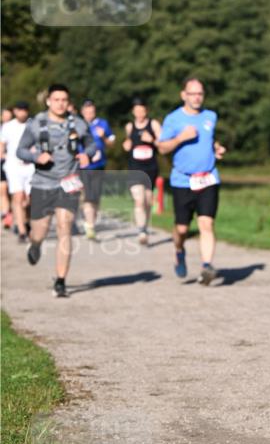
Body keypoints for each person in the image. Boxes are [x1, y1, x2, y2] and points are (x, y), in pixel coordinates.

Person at [17, 83, 97, 297]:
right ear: (48, 101)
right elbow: (20, 150)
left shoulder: (78, 124)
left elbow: (91, 145)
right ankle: (35, 244)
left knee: (65, 226)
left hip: (68, 182)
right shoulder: (36, 123)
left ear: (68, 102)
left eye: (64, 100)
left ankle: (61, 280)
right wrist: (36, 157)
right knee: (40, 230)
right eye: (56, 100)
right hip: (42, 183)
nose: (60, 104)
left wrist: (87, 154)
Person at [156, 77, 226, 284]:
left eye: (200, 94)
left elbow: (209, 139)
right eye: (192, 94)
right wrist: (181, 138)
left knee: (206, 223)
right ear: (183, 95)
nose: (196, 98)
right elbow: (162, 148)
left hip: (208, 178)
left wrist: (216, 148)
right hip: (183, 180)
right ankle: (179, 250)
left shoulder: (210, 116)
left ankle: (206, 266)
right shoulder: (173, 119)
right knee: (182, 229)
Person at [122, 97, 162, 244]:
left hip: (150, 167)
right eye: (137, 110)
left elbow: (163, 144)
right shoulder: (129, 126)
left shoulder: (154, 124)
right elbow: (128, 143)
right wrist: (126, 145)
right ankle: (141, 232)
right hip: (135, 167)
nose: (139, 113)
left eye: (142, 110)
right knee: (139, 200)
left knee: (147, 200)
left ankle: (144, 225)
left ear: (146, 111)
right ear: (133, 112)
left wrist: (152, 140)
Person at [79, 99, 115, 240]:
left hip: (99, 165)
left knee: (96, 196)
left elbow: (111, 144)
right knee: (88, 195)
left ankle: (90, 222)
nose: (89, 114)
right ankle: (90, 226)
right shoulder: (78, 125)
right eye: (87, 112)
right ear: (82, 112)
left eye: (92, 112)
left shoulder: (103, 124)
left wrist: (104, 136)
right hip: (83, 166)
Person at [0, 101, 34, 241]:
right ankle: (21, 231)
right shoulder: (8, 126)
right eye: (20, 110)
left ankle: (26, 221)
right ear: (15, 111)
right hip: (14, 166)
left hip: (30, 166)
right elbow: (2, 144)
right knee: (18, 197)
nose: (22, 113)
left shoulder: (32, 125)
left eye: (25, 110)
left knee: (30, 199)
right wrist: (2, 156)